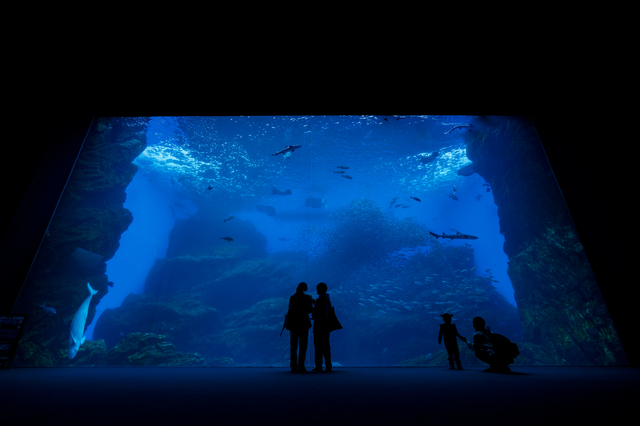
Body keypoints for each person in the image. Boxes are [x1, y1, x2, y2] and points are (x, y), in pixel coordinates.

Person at [286, 282, 314, 373]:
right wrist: (312, 302)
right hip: (304, 324)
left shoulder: (292, 297)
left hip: (294, 324)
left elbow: (290, 310)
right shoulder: (307, 298)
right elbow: (310, 310)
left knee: (293, 345)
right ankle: (301, 365)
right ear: (305, 289)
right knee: (303, 345)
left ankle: (293, 366)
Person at [312, 282, 332, 372]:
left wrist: (313, 304)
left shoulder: (319, 300)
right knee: (326, 346)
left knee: (318, 347)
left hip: (319, 327)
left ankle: (318, 366)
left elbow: (315, 314)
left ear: (319, 290)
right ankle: (328, 366)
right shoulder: (328, 299)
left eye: (317, 289)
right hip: (326, 326)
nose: (316, 290)